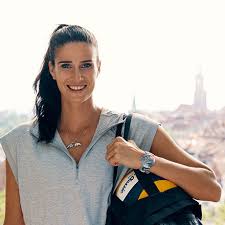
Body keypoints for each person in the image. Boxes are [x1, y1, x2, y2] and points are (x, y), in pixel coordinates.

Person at [0, 24, 222, 225]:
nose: (77, 76)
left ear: (98, 67)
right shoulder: (21, 143)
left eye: (86, 65)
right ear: (52, 69)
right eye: (66, 65)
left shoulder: (132, 129)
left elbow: (211, 188)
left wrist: (143, 160)